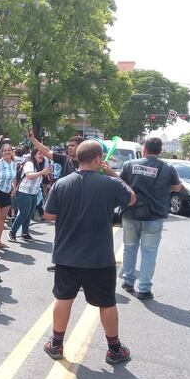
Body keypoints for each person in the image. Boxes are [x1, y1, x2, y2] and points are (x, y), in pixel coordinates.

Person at [42, 140, 136, 364]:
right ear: (97, 159)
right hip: (98, 257)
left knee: (63, 299)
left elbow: (48, 215)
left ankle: (56, 344)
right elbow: (131, 198)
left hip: (66, 255)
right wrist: (113, 173)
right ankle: (114, 349)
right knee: (106, 302)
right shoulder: (109, 183)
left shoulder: (62, 184)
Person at [119, 137, 182, 300]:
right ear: (160, 151)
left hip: (131, 213)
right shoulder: (167, 168)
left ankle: (128, 282)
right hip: (154, 215)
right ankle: (145, 289)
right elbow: (177, 187)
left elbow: (121, 184)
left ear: (144, 149)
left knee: (129, 247)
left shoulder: (129, 165)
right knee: (149, 252)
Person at [8, 148, 52, 241]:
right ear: (34, 155)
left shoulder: (38, 164)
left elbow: (36, 177)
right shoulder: (30, 163)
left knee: (29, 213)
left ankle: (24, 233)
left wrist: (44, 173)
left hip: (33, 193)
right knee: (24, 213)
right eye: (39, 153)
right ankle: (12, 232)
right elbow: (29, 175)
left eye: (42, 154)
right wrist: (41, 173)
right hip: (24, 192)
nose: (41, 156)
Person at [0, 143, 16, 248]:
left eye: (9, 150)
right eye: (5, 151)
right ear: (2, 153)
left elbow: (14, 177)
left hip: (7, 193)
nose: (7, 152)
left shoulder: (14, 163)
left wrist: (14, 187)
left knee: (3, 218)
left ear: (12, 152)